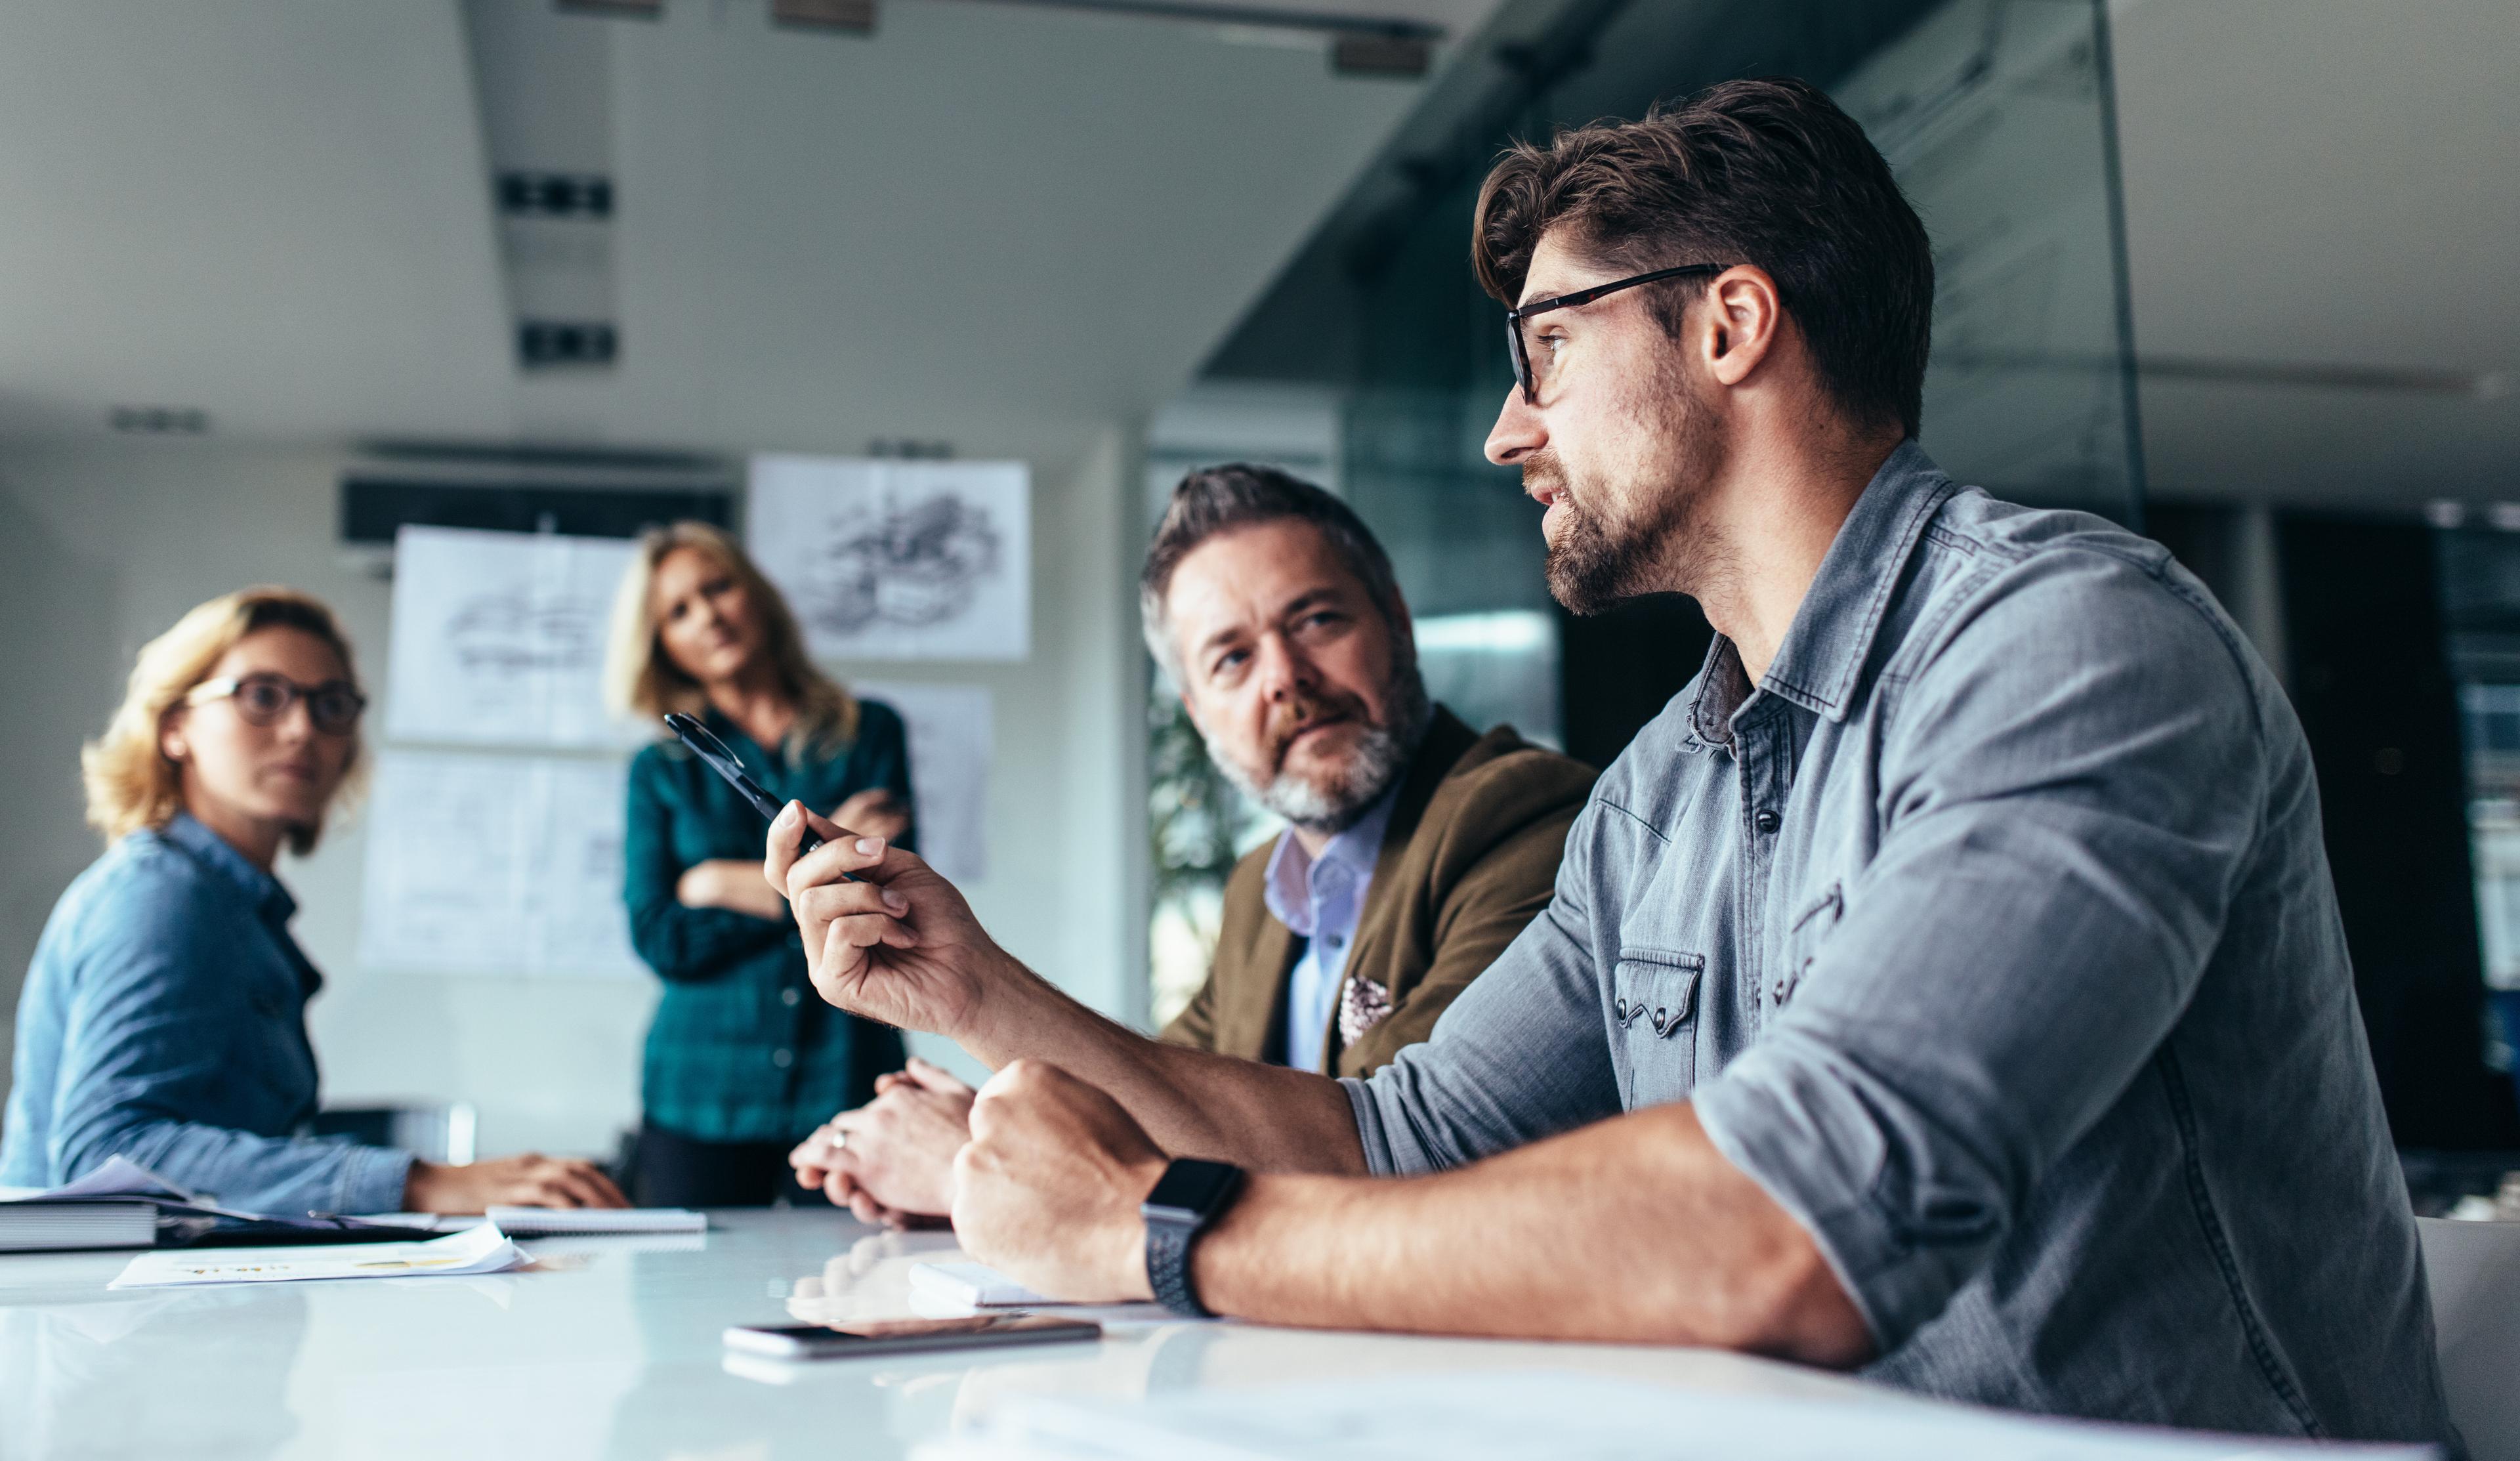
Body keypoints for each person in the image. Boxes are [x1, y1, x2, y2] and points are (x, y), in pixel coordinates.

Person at [766, 78, 2454, 1443]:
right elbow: (1391, 1141)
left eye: (1548, 348)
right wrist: (975, 993)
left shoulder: (2070, 648)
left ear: (1729, 326)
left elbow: (1794, 1220)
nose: (1509, 426)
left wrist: (1153, 1230)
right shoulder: (1661, 788)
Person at [788, 466, 1596, 1222]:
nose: (1284, 677)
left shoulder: (1526, 819)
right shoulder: (1261, 890)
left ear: (1396, 619)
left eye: (1316, 620)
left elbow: (1387, 1161)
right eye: (1232, 658)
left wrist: (975, 1160)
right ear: (1196, 709)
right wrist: (992, 1109)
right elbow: (1162, 1104)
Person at [0, 587, 625, 1214]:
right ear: (175, 726)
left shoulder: (235, 908)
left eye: (330, 706)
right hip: (97, 1305)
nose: (303, 729)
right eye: (262, 696)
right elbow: (106, 1155)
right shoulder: (163, 895)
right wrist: (420, 1182)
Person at [608, 521, 914, 1208]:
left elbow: (885, 898)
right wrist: (815, 881)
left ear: (756, 596)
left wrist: (714, 884)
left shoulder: (870, 734)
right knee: (688, 1306)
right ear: (662, 645)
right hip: (701, 1090)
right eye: (679, 611)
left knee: (857, 1291)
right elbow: (661, 936)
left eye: (718, 588)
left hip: (845, 1075)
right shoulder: (659, 772)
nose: (708, 615)